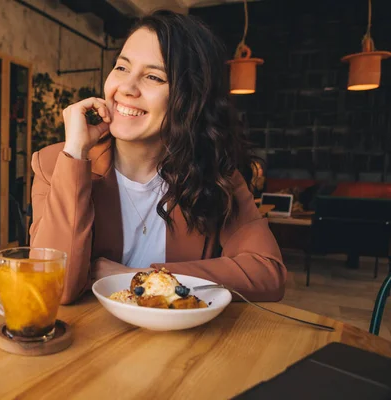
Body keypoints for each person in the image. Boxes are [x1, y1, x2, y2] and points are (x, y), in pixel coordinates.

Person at [29, 10, 286, 305]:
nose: (125, 88)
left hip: (183, 346)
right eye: (122, 68)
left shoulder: (215, 174)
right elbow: (51, 288)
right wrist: (75, 153)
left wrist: (138, 278)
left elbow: (268, 274)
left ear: (190, 97)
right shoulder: (55, 165)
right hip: (88, 343)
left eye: (153, 76)